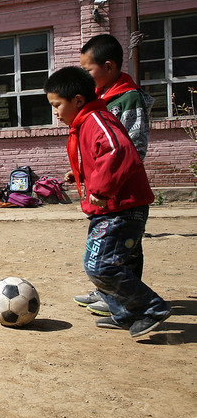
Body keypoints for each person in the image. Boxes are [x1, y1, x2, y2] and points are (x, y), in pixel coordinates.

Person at [45, 66, 171, 338]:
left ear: (78, 100)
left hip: (121, 208)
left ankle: (151, 308)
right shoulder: (86, 122)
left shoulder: (97, 119)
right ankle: (124, 312)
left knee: (99, 265)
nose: (55, 112)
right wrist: (81, 174)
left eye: (57, 105)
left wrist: (100, 189)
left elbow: (119, 150)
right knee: (108, 264)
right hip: (115, 208)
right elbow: (102, 156)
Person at [76, 33, 154, 316]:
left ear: (108, 67)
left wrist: (113, 179)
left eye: (88, 70)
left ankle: (128, 304)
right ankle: (107, 294)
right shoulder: (100, 98)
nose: (85, 75)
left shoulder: (128, 97)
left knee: (126, 248)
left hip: (123, 190)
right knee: (107, 247)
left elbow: (134, 145)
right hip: (103, 188)